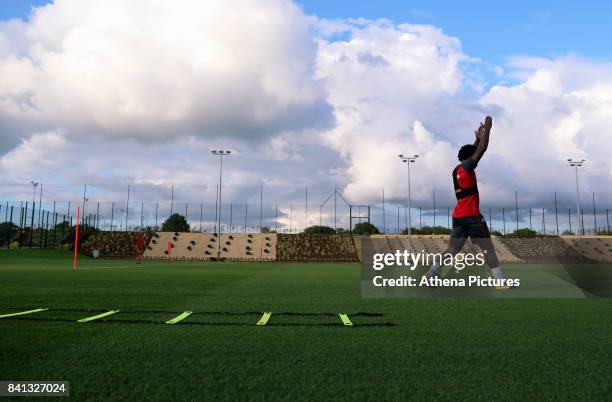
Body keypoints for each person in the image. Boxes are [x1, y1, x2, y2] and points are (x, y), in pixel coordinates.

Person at [424, 116, 509, 289]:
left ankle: (430, 274)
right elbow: (482, 149)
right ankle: (500, 282)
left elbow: (475, 149)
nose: (475, 157)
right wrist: (488, 130)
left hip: (459, 216)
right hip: (472, 217)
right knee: (488, 249)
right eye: (473, 155)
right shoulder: (468, 167)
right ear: (470, 158)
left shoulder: (457, 169)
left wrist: (477, 139)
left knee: (452, 250)